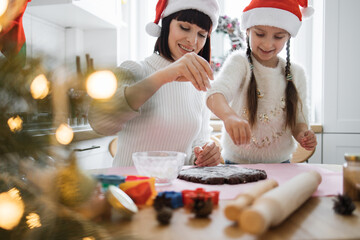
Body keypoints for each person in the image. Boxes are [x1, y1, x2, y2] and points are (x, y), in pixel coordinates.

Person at [88, 0, 221, 167]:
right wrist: (165, 75)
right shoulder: (134, 70)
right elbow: (100, 122)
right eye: (184, 28)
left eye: (201, 34)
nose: (193, 41)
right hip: (132, 189)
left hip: (175, 190)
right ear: (165, 26)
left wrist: (204, 155)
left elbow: (197, 143)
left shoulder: (198, 86)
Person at [206, 0, 317, 164]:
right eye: (259, 34)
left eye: (278, 37)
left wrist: (303, 135)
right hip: (237, 163)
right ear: (248, 31)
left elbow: (299, 121)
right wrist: (229, 116)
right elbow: (214, 94)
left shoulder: (296, 73)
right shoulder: (240, 63)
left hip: (281, 164)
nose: (267, 43)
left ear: (288, 36)